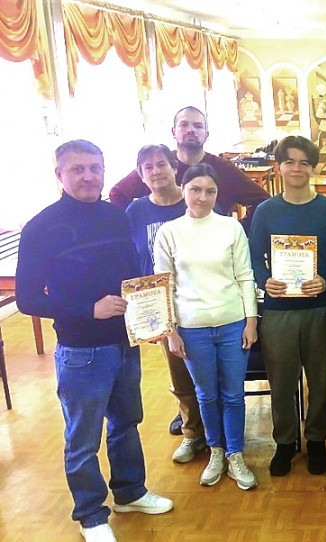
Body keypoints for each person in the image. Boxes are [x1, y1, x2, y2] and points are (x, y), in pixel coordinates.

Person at [17, 140, 174, 542]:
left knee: (127, 423)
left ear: (104, 170)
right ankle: (90, 515)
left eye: (95, 168)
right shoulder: (40, 228)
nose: (88, 176)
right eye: (78, 169)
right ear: (59, 174)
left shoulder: (115, 216)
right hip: (81, 350)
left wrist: (149, 311)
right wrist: (89, 309)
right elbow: (28, 299)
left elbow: (131, 272)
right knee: (83, 438)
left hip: (125, 341)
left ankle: (130, 492)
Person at [249, 135, 326, 477]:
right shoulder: (265, 211)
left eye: (304, 162)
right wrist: (265, 280)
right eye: (289, 162)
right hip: (278, 310)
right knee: (281, 381)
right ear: (278, 167)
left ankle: (317, 440)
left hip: (319, 308)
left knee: (320, 380)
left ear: (313, 168)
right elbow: (254, 257)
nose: (296, 168)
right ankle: (285, 442)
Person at [154, 163, 259, 491]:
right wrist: (171, 331)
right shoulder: (169, 232)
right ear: (183, 190)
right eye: (195, 189)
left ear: (218, 194)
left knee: (234, 395)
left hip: (232, 323)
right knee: (206, 395)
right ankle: (215, 452)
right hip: (191, 327)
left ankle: (235, 454)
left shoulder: (231, 227)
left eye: (210, 191)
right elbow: (165, 284)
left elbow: (245, 277)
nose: (202, 197)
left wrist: (251, 321)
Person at [125, 145, 207, 465]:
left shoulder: (193, 201)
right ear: (140, 174)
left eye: (161, 164)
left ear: (175, 168)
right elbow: (131, 258)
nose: (156, 171)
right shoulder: (135, 212)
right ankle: (192, 433)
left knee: (208, 370)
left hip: (200, 297)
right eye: (148, 167)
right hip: (159, 304)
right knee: (179, 372)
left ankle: (219, 433)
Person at [109, 107, 269, 231]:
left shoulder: (223, 169)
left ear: (206, 135)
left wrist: (239, 229)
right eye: (184, 124)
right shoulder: (160, 166)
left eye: (198, 126)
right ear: (174, 132)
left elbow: (263, 201)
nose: (190, 130)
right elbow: (118, 193)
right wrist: (136, 228)